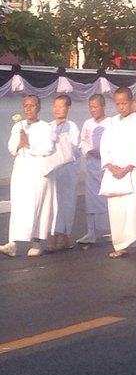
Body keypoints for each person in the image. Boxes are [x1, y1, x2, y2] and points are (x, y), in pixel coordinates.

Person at [100, 87, 136, 258]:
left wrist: (127, 167)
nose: (121, 107)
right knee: (117, 211)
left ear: (131, 102)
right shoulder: (111, 122)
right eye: (118, 104)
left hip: (133, 172)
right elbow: (104, 145)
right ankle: (121, 245)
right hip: (114, 172)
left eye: (124, 103)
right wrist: (110, 165)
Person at [0, 95, 56, 257]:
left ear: (38, 108)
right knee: (19, 205)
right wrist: (20, 143)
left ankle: (37, 242)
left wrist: (29, 144)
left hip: (38, 171)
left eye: (32, 105)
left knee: (38, 205)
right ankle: (13, 243)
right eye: (26, 106)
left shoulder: (46, 127)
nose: (28, 109)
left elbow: (48, 148)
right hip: (21, 170)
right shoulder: (18, 126)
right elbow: (11, 147)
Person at [47, 94, 81, 251]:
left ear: (68, 108)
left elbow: (74, 150)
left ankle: (66, 235)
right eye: (55, 106)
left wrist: (60, 147)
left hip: (67, 171)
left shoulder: (72, 127)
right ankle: (53, 237)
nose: (57, 109)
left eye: (61, 106)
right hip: (53, 171)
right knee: (53, 203)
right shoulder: (48, 126)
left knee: (66, 203)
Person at [77, 94, 110, 245]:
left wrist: (103, 153)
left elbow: (115, 142)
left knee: (109, 198)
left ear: (103, 106)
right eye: (90, 107)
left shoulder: (111, 122)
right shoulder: (87, 123)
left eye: (95, 107)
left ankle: (113, 230)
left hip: (107, 167)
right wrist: (89, 151)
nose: (93, 110)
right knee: (91, 200)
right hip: (91, 166)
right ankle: (91, 232)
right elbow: (83, 142)